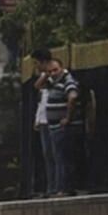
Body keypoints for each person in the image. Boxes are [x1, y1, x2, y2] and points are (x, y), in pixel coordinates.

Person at [43, 58, 82, 196]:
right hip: (54, 127)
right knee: (59, 157)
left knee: (62, 158)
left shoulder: (67, 80)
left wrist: (67, 118)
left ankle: (63, 188)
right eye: (50, 71)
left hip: (63, 127)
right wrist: (46, 76)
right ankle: (63, 187)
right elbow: (38, 85)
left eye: (55, 70)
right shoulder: (53, 82)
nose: (53, 73)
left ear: (62, 68)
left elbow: (72, 97)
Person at [31, 49, 54, 197]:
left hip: (52, 119)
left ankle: (54, 187)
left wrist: (46, 73)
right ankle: (50, 186)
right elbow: (41, 101)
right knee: (47, 155)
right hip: (44, 119)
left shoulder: (52, 76)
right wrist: (37, 119)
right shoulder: (44, 77)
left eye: (37, 63)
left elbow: (37, 86)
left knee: (53, 155)